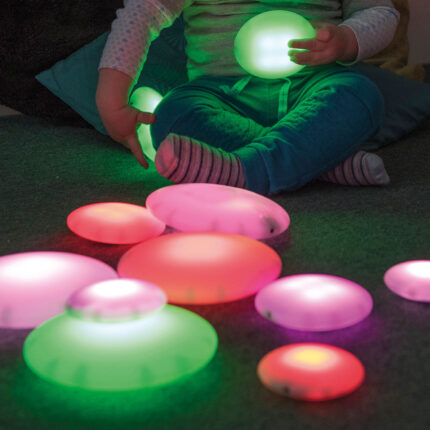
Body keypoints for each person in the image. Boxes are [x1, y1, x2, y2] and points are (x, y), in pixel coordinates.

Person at [96, 0, 400, 195]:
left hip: (313, 88)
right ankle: (326, 165)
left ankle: (246, 171)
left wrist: (346, 39)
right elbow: (144, 11)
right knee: (170, 116)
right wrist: (112, 98)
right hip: (222, 96)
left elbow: (380, 11)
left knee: (361, 96)